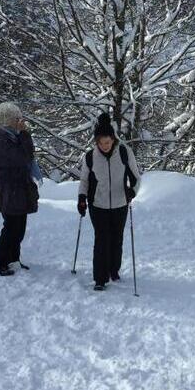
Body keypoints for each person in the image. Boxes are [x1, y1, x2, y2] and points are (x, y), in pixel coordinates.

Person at [77, 113, 141, 291]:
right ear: (96, 142)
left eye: (107, 142)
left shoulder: (124, 152)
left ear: (113, 139)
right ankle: (100, 278)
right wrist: (81, 198)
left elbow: (136, 178)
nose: (104, 146)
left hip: (120, 204)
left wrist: (132, 191)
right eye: (100, 143)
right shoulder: (90, 157)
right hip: (98, 204)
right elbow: (84, 181)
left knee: (116, 238)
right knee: (102, 239)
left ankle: (114, 269)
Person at [0, 102, 42, 276]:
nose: (20, 121)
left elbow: (26, 155)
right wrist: (25, 134)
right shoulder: (2, 140)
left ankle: (13, 259)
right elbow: (23, 156)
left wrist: (22, 135)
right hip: (9, 190)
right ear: (7, 121)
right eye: (16, 118)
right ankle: (1, 262)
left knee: (19, 227)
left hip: (18, 189)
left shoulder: (13, 137)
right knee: (11, 227)